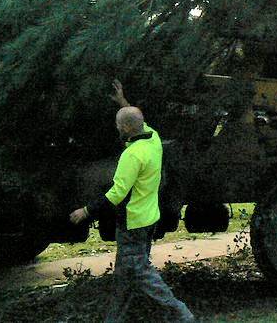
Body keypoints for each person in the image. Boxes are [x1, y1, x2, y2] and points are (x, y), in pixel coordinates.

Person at [70, 79, 194, 323]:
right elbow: (139, 120)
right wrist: (123, 102)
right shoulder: (153, 139)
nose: (116, 126)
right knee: (125, 276)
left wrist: (85, 211)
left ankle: (179, 314)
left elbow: (116, 194)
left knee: (139, 272)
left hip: (133, 223)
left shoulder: (132, 155)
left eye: (118, 123)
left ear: (125, 129)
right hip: (149, 219)